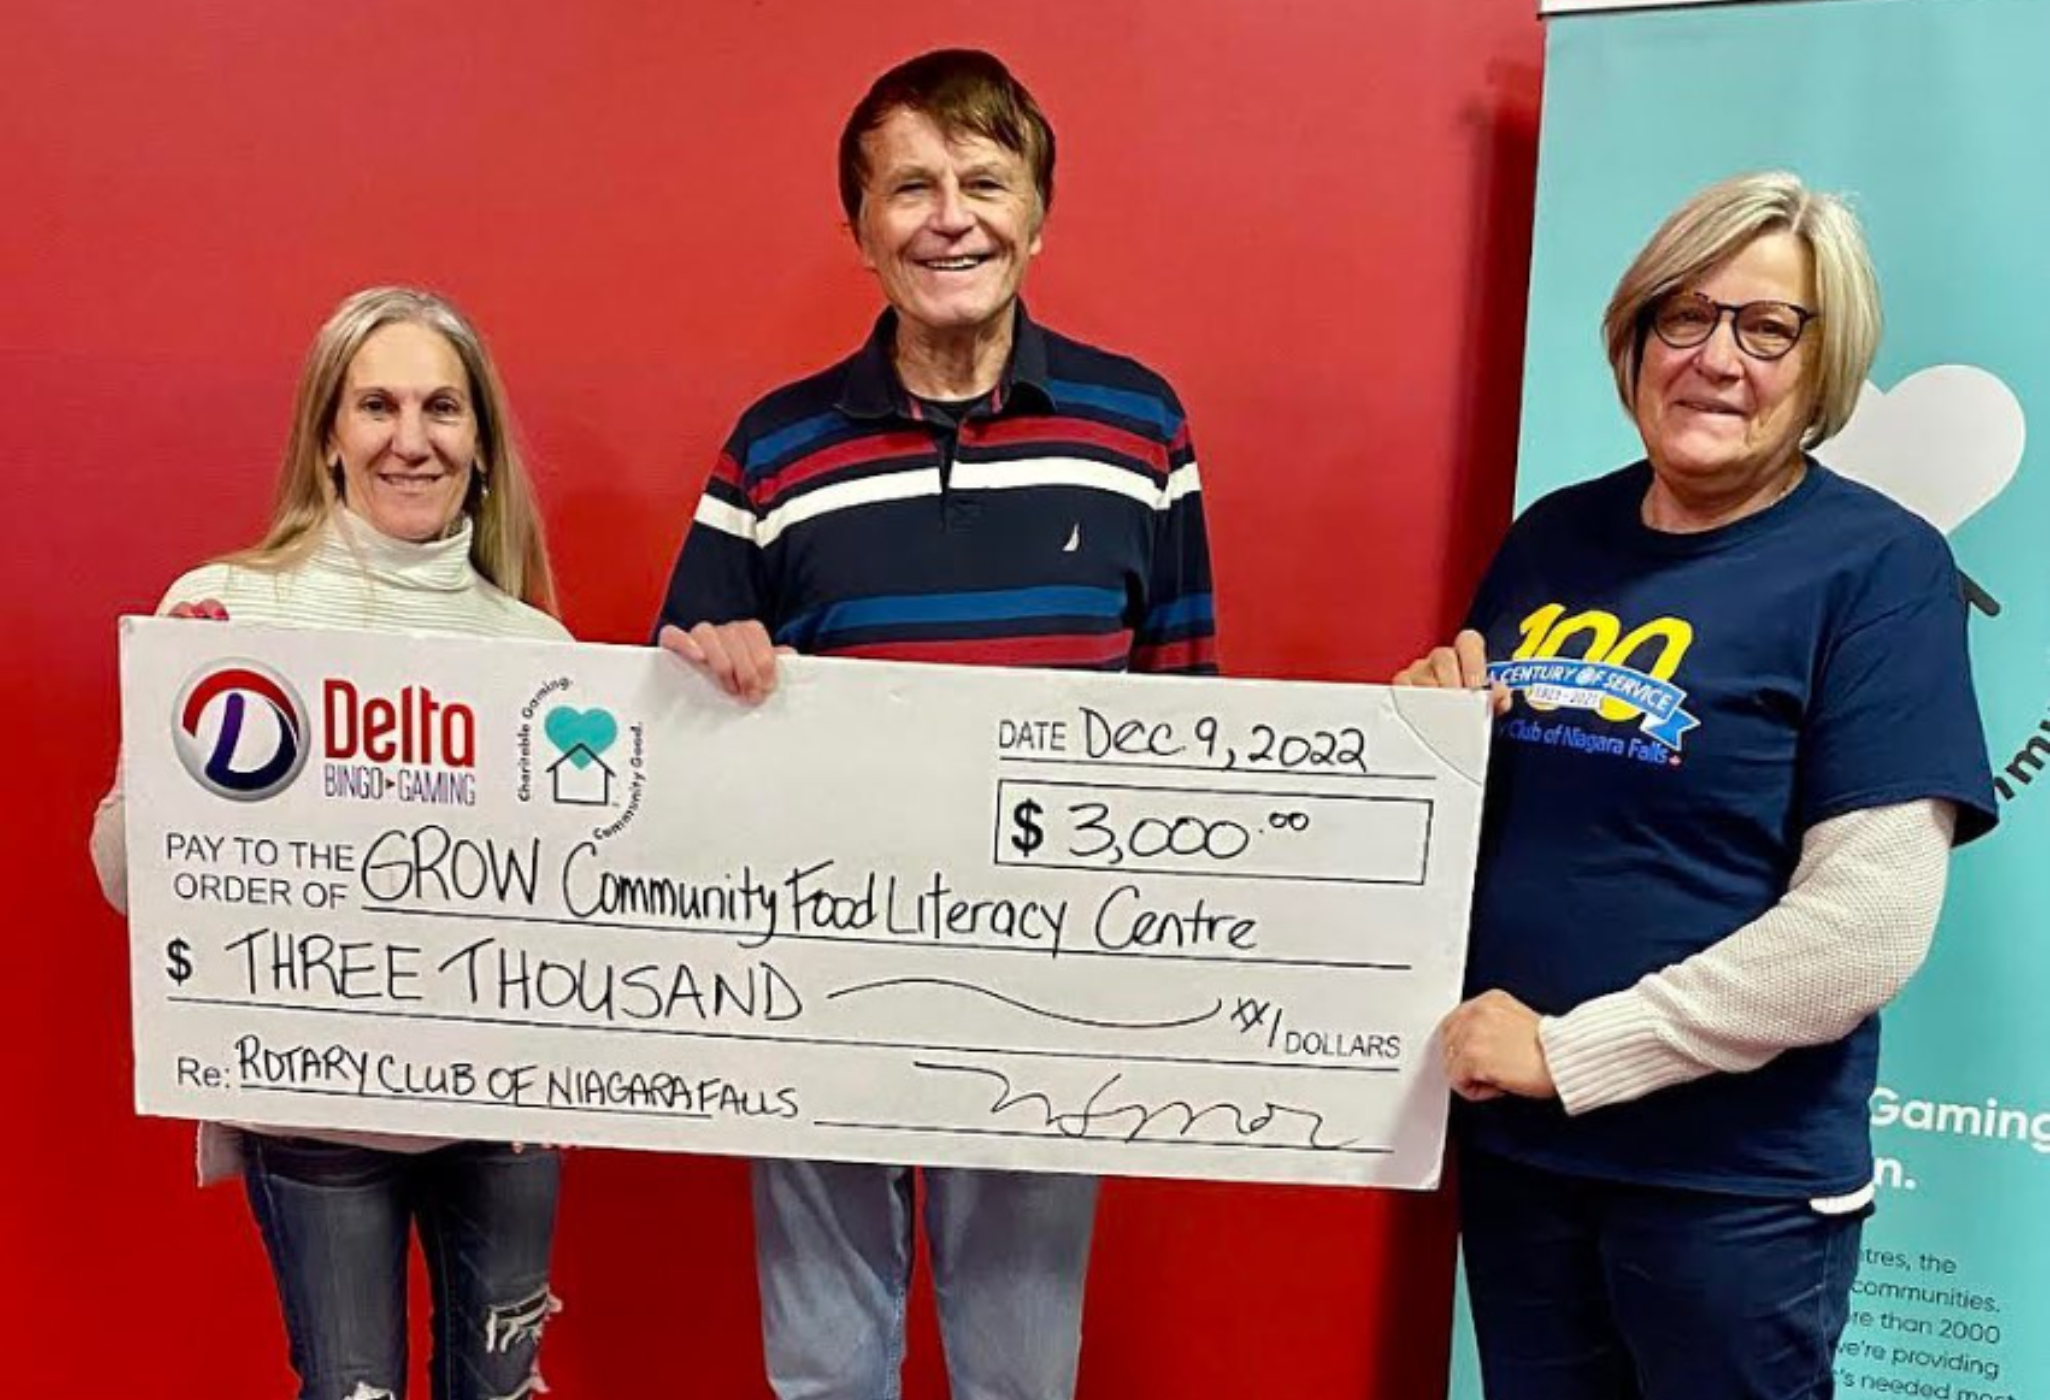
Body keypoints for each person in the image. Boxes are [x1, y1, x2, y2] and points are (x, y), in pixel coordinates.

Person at [655, 48, 1218, 1400]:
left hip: (1046, 990)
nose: (947, 215)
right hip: (811, 983)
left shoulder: (1139, 431)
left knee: (1021, 1378)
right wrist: (705, 663)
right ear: (860, 232)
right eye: (907, 187)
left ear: (1037, 216)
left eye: (982, 181)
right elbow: (671, 720)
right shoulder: (771, 449)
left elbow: (1185, 716)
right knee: (824, 1370)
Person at [1397, 171, 1999, 1400]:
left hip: (1734, 1193)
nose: (1718, 357)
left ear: (1819, 369)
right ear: (1633, 338)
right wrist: (1428, 739)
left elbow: (1863, 929)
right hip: (1522, 1157)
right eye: (1684, 314)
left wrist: (1574, 1052)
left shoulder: (1879, 568)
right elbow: (1516, 829)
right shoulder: (1552, 536)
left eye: (1767, 327)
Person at [91, 286, 568, 1400]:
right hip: (315, 1102)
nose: (413, 438)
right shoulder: (224, 610)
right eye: (378, 405)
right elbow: (126, 881)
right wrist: (172, 731)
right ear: (327, 436)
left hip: (500, 1107)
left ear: (482, 443)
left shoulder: (539, 649)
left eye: (444, 407)